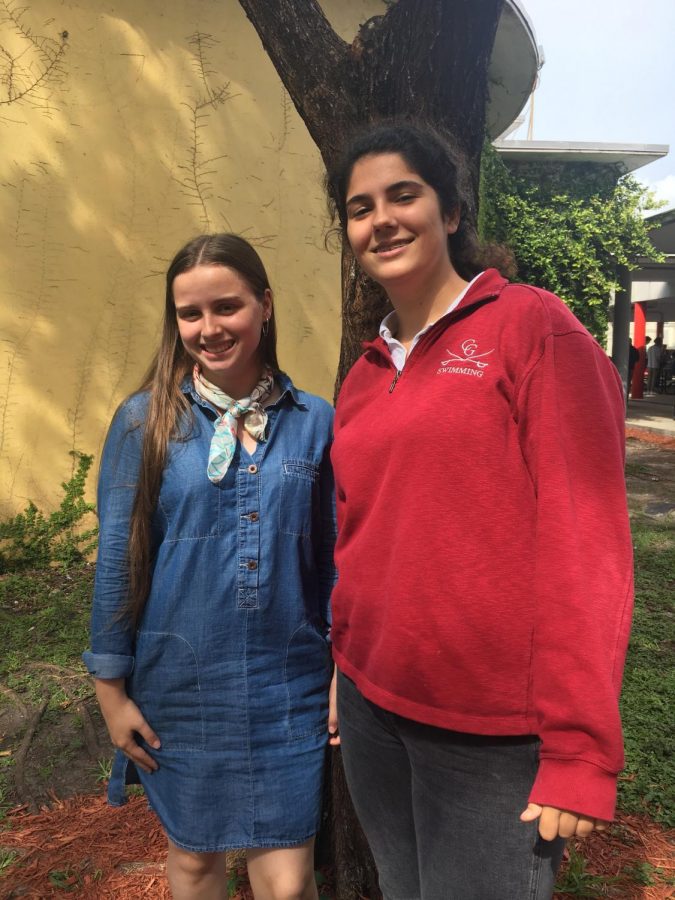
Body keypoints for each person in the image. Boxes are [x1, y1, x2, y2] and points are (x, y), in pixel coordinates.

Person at [324, 122, 633, 900]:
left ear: (451, 212)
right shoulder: (364, 372)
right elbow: (362, 536)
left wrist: (579, 747)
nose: (381, 220)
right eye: (360, 208)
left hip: (490, 735)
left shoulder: (528, 326)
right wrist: (343, 663)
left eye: (403, 195)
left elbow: (585, 538)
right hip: (371, 708)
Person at [83, 234, 336, 900]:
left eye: (227, 307)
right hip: (181, 685)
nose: (208, 328)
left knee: (287, 882)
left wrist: (344, 673)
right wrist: (111, 694)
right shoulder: (146, 422)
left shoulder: (316, 423)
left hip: (290, 684)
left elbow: (336, 564)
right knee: (195, 863)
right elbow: (118, 560)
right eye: (189, 314)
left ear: (265, 306)